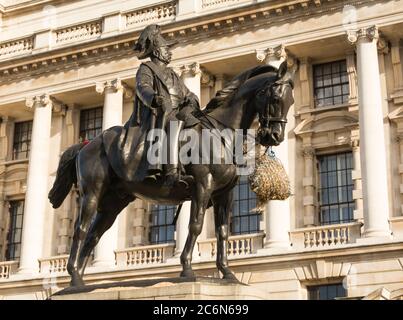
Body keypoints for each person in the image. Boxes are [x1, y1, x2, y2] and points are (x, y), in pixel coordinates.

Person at [131, 24, 198, 187]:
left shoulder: (173, 74)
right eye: (166, 49)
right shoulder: (146, 69)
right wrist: (153, 98)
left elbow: (188, 94)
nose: (170, 52)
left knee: (198, 124)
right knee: (174, 123)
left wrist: (192, 102)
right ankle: (171, 173)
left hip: (176, 111)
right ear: (156, 52)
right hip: (157, 113)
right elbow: (143, 86)